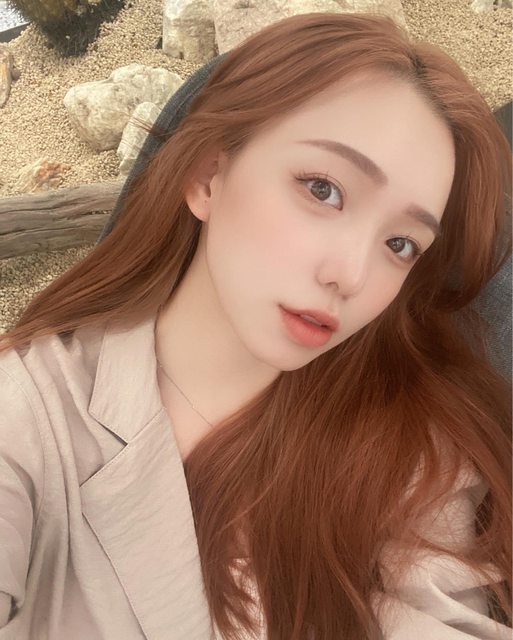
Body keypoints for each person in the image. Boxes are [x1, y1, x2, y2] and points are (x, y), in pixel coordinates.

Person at [0, 11, 511, 640]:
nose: (351, 275)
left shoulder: (415, 459)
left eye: (400, 244)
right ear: (206, 178)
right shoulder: (31, 413)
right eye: (322, 189)